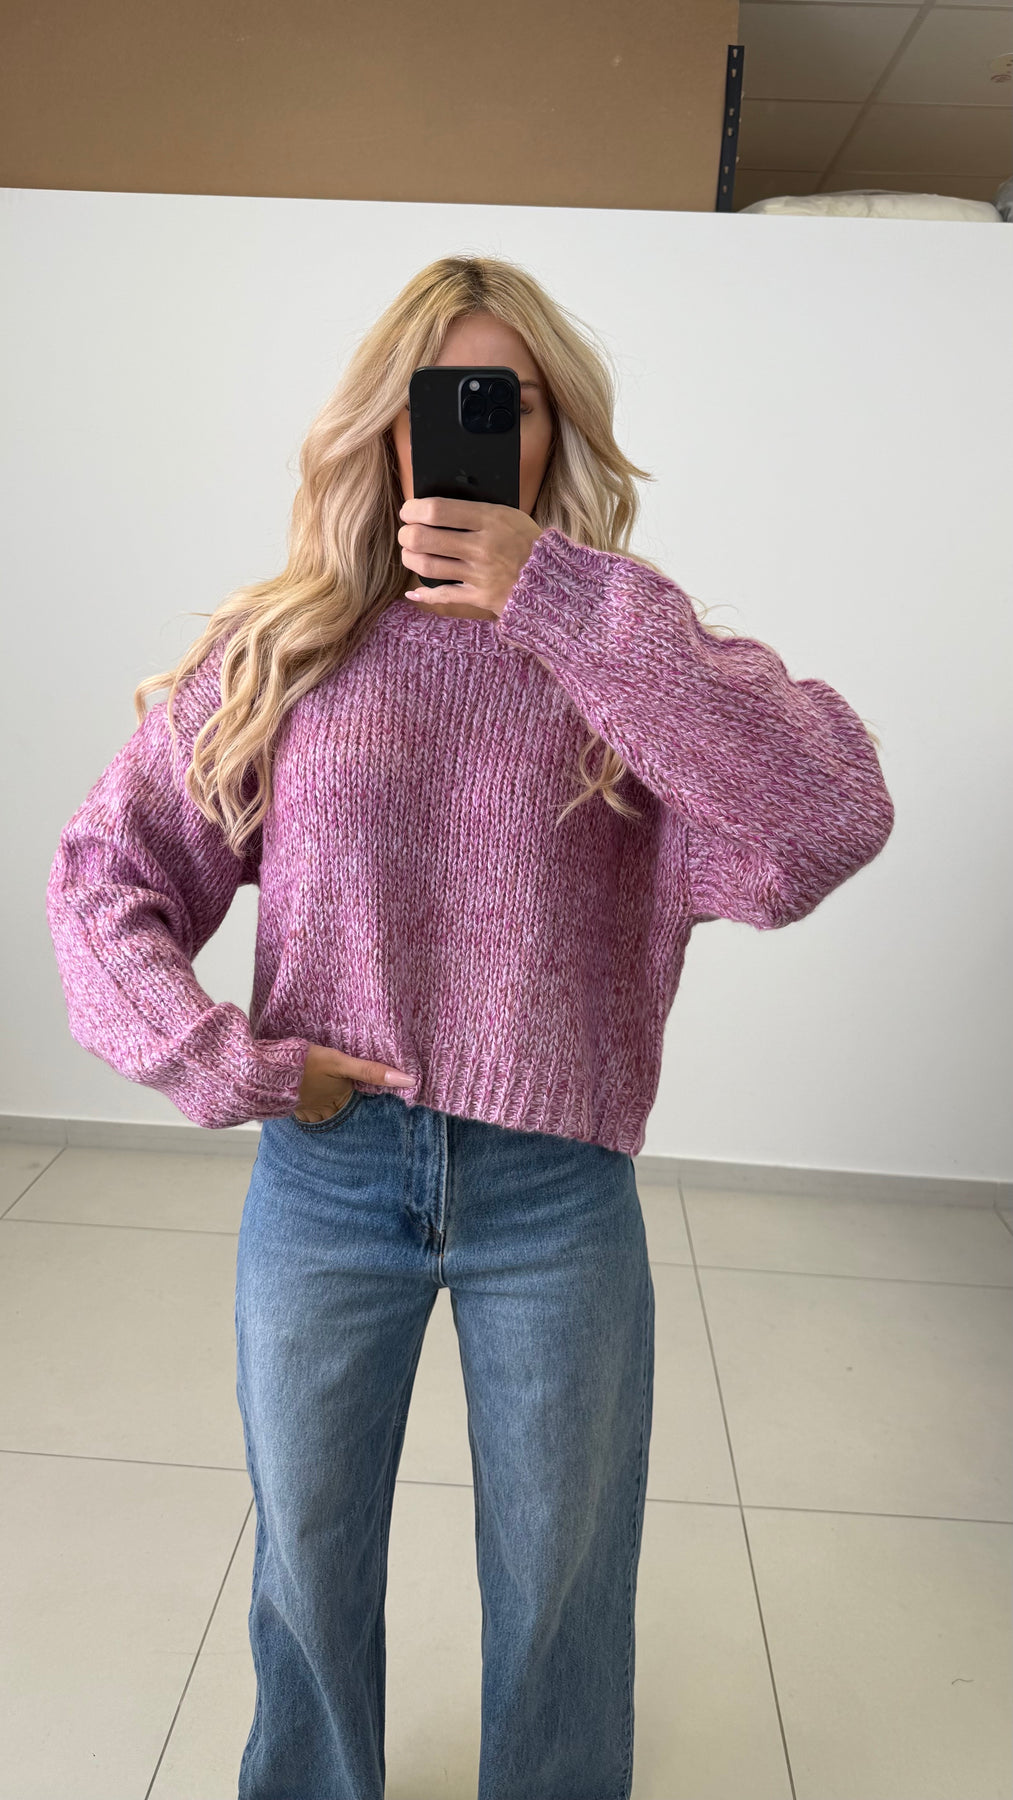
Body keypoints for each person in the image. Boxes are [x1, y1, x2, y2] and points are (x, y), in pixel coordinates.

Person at [46, 255, 895, 1799]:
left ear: (553, 430)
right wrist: (223, 1060)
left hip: (553, 1190)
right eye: (438, 403)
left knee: (563, 1582)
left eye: (508, 403)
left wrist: (561, 604)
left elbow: (826, 817)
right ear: (380, 430)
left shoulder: (627, 655)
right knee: (305, 1565)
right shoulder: (288, 650)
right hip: (329, 1177)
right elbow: (106, 876)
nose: (470, 433)